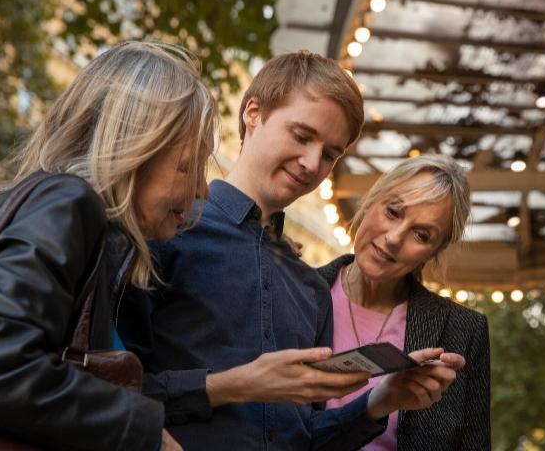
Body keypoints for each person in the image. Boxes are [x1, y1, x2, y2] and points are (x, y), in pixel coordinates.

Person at [118, 50, 466, 451]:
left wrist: (380, 400)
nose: (312, 162)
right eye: (302, 136)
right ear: (253, 113)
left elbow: (303, 438)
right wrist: (233, 386)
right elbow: (107, 392)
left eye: (331, 154)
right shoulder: (166, 230)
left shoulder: (309, 287)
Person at [0, 42, 214, 450]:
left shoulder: (82, 228)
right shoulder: (69, 205)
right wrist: (143, 431)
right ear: (134, 150)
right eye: (189, 165)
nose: (203, 190)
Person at [316, 155, 490, 450]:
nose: (395, 238)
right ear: (371, 200)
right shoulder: (290, 291)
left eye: (421, 235)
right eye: (393, 211)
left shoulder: (462, 332)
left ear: (433, 251)